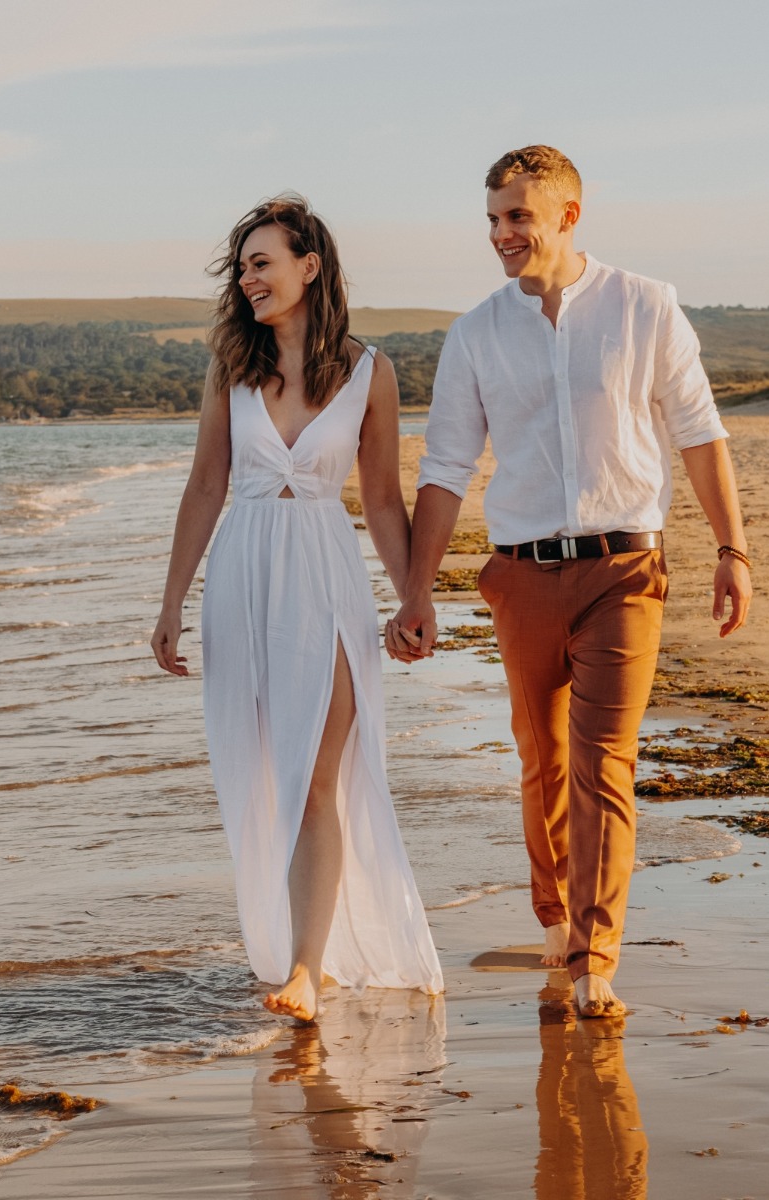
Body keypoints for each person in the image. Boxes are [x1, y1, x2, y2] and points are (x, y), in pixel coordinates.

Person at [385, 145, 751, 1017]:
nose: (503, 235)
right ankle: (554, 913)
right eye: (492, 221)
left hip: (625, 570)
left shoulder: (645, 305)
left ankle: (594, 958)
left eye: (518, 216)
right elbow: (442, 470)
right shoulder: (475, 333)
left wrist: (733, 550)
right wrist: (415, 591)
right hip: (520, 577)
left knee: (602, 765)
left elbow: (699, 433)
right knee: (543, 761)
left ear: (567, 215)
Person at [151, 195, 443, 1022]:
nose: (248, 280)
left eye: (261, 262)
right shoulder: (230, 367)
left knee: (317, 778)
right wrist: (173, 602)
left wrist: (414, 595)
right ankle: (289, 947)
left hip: (324, 577)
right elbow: (206, 486)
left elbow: (384, 501)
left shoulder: (369, 371)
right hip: (242, 579)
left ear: (308, 267)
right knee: (263, 778)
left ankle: (306, 973)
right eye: (241, 267)